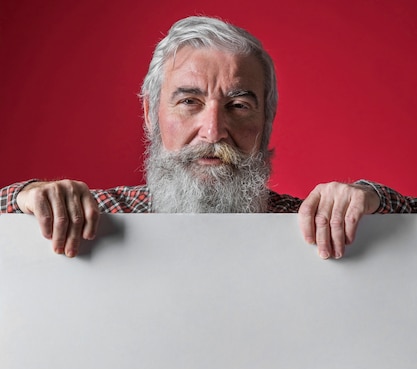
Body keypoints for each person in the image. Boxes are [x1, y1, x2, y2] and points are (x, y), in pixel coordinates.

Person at [1, 16, 416, 259]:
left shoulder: (307, 227)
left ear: (266, 122)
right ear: (150, 114)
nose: (214, 131)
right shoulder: (104, 216)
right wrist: (28, 197)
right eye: (189, 102)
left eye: (239, 105)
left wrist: (368, 197)